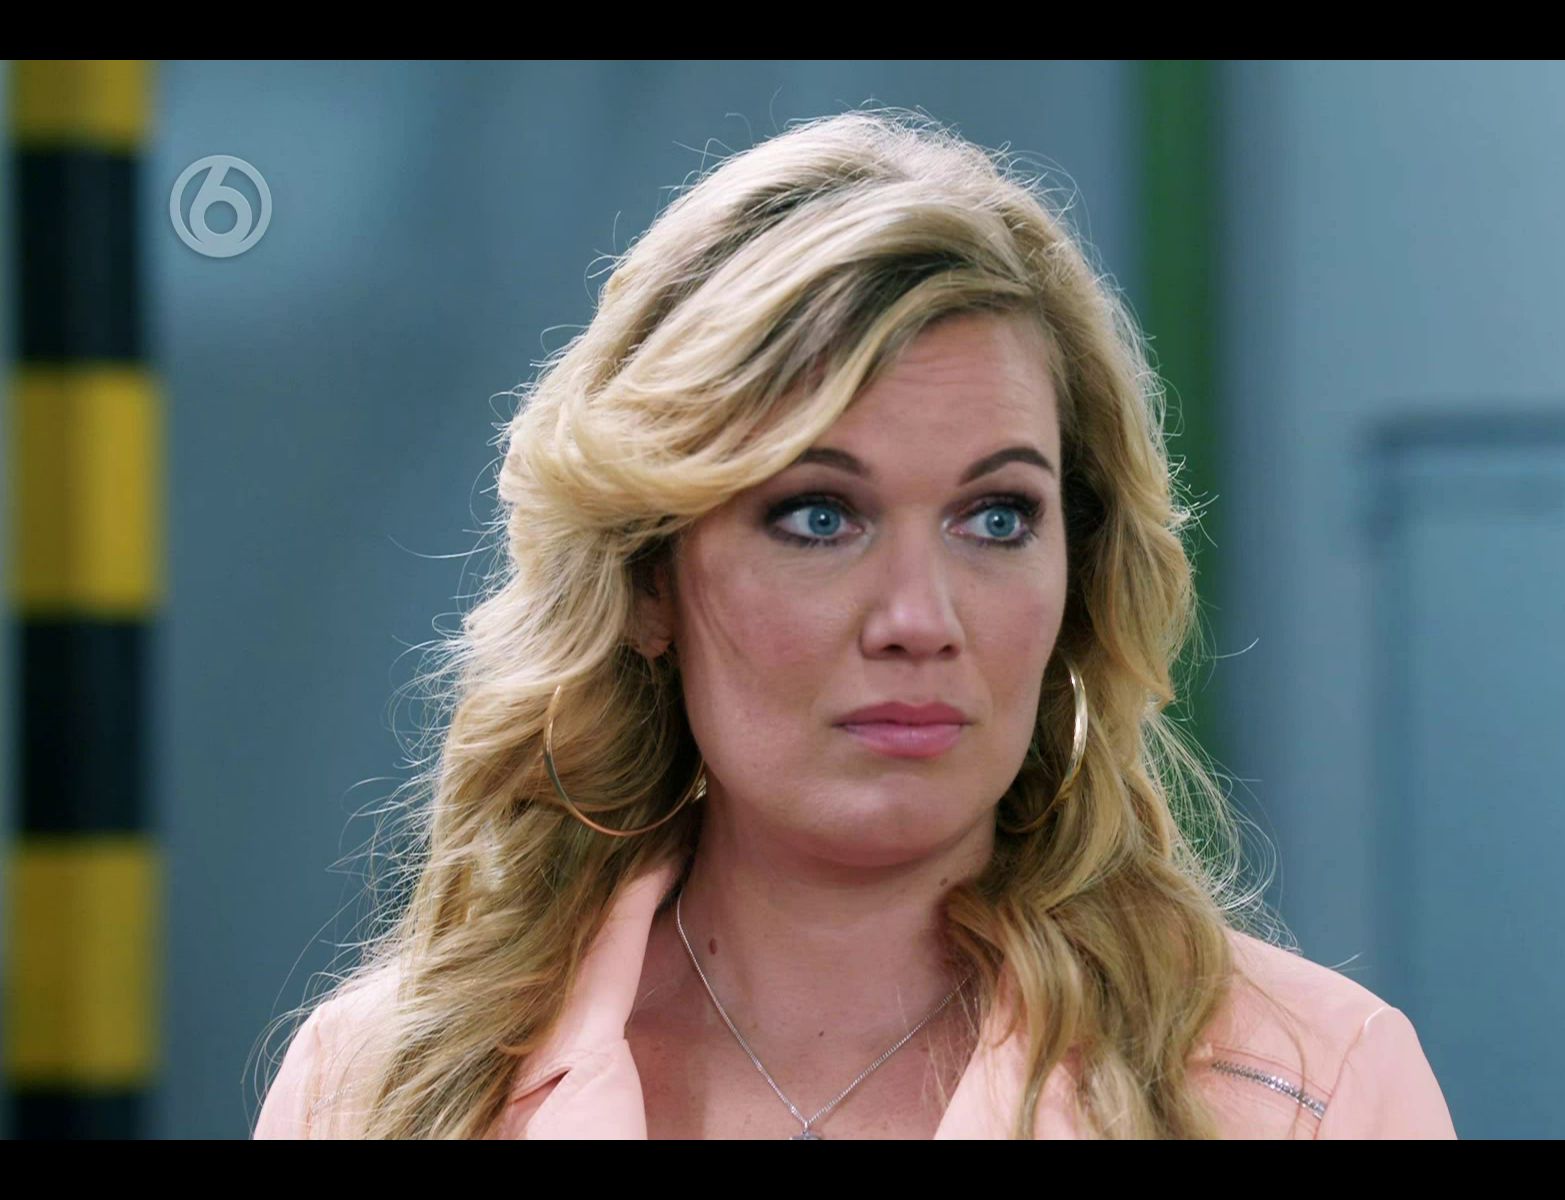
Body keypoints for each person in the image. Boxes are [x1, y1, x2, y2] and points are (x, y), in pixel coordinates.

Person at [252, 109, 1455, 1140]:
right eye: (819, 516)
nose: (920, 621)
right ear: (649, 580)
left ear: (1079, 573)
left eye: (996, 517)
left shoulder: (1308, 1091)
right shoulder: (387, 1090)